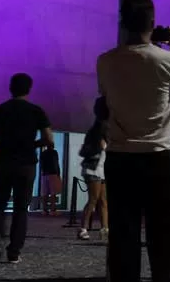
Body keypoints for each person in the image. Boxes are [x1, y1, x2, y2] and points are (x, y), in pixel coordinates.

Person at [97, 0, 170, 282]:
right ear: (153, 23)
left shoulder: (105, 62)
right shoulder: (166, 59)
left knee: (123, 238)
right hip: (159, 157)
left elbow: (107, 97)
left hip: (120, 159)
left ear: (123, 22)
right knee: (166, 239)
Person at [0, 72, 53, 263]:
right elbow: (49, 139)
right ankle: (14, 252)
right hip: (26, 164)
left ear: (10, 88)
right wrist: (31, 144)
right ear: (29, 89)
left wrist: (4, 141)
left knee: (0, 205)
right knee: (21, 208)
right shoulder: (37, 111)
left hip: (4, 162)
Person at [78, 97, 109, 241]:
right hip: (93, 169)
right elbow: (89, 150)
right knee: (93, 199)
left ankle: (105, 229)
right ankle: (82, 228)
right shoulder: (98, 130)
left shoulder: (102, 128)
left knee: (103, 201)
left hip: (101, 169)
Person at [40, 143, 62, 215]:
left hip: (44, 174)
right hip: (53, 174)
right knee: (53, 193)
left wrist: (43, 172)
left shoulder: (43, 153)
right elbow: (56, 163)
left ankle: (44, 210)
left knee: (45, 193)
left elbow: (41, 164)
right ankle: (53, 210)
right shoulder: (54, 152)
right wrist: (58, 174)